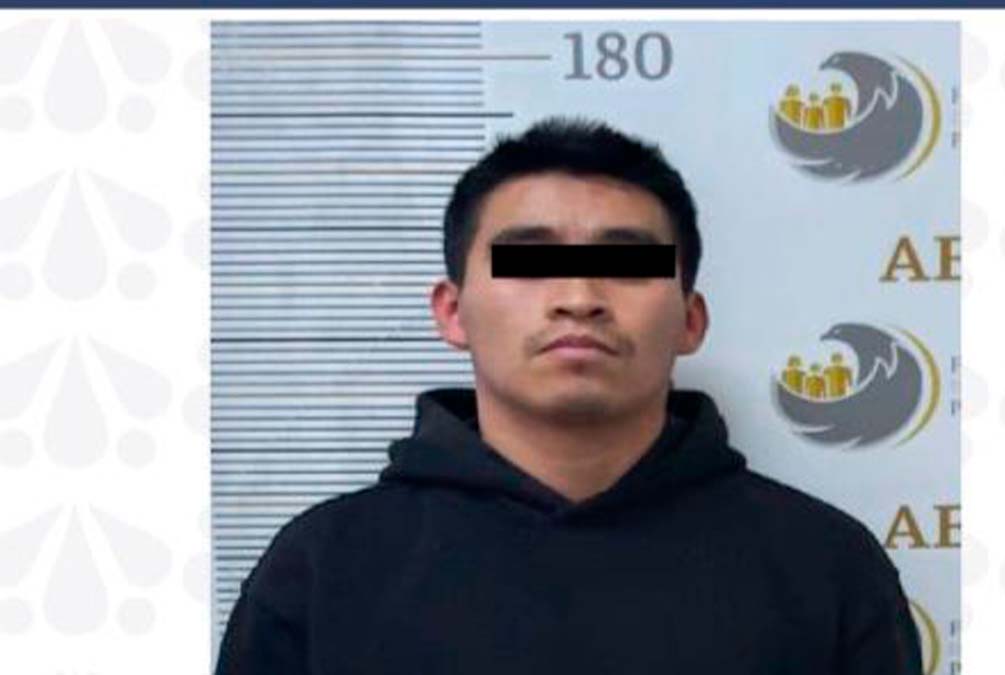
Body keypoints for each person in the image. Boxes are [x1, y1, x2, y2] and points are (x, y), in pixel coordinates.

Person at [215, 117, 923, 674]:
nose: (579, 296)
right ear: (453, 313)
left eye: (627, 262)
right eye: (531, 260)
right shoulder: (323, 569)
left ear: (690, 319)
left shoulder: (825, 566)